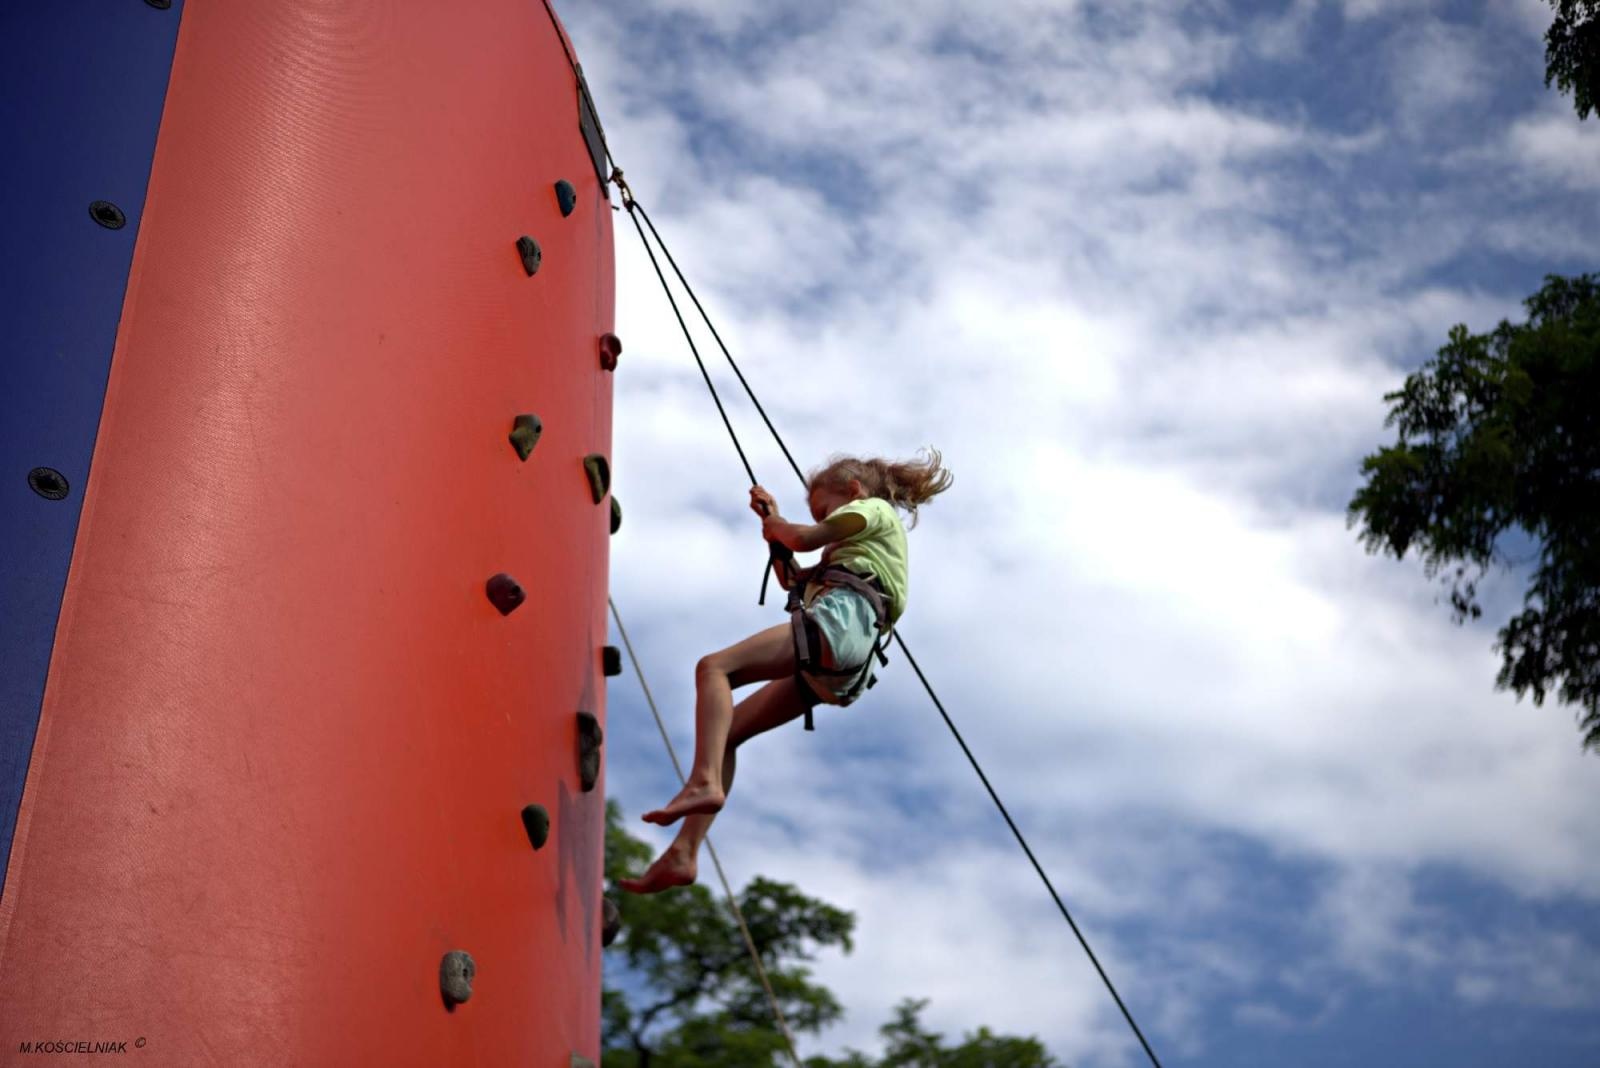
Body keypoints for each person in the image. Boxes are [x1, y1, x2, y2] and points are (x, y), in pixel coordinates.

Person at [619, 448, 953, 895]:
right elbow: (794, 576)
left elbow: (806, 538)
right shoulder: (850, 552)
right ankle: (685, 852)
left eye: (823, 508)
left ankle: (703, 780)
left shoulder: (873, 511)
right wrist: (774, 527)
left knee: (715, 668)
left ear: (853, 491)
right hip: (838, 666)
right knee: (729, 732)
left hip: (842, 624)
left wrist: (786, 528)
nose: (821, 518)